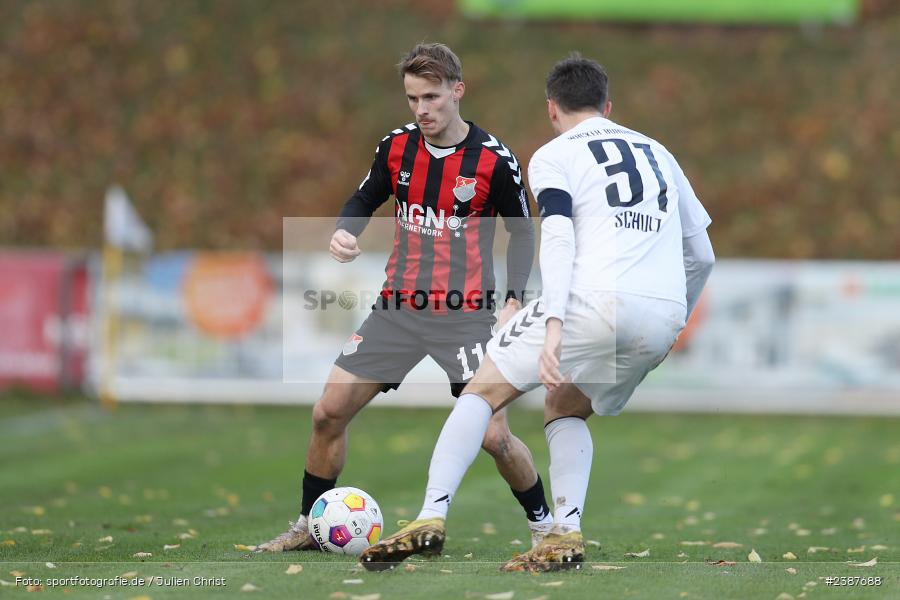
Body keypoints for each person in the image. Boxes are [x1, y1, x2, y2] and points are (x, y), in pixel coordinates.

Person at [361, 53, 715, 572]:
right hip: (662, 315)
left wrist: (553, 324)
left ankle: (429, 516)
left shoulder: (554, 154)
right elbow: (702, 254)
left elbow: (560, 235)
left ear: (552, 108)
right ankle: (565, 532)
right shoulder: (659, 151)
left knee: (481, 390)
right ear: (608, 107)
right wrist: (674, 317)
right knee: (566, 406)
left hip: (590, 303)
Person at [258, 43, 553, 552]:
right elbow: (365, 195)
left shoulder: (493, 160)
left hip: (464, 318)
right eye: (413, 98)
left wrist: (512, 299)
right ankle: (309, 525)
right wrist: (345, 231)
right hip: (396, 311)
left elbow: (523, 233)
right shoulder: (396, 146)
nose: (422, 109)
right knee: (327, 412)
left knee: (493, 437)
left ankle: (546, 527)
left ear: (458, 91)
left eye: (432, 96)